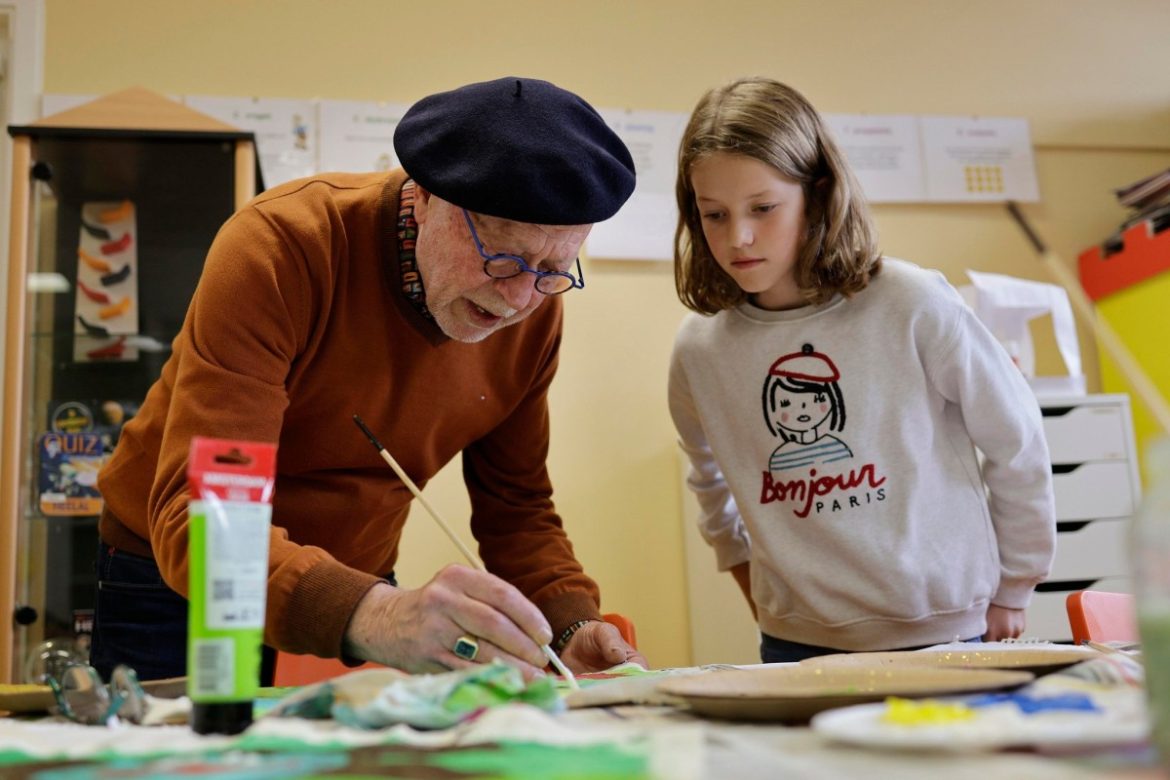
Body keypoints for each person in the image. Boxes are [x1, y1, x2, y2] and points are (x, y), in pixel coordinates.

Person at [91, 76, 647, 682]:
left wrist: (568, 623)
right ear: (428, 198)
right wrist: (381, 614)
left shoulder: (533, 308)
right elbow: (209, 511)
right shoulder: (282, 249)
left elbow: (516, 506)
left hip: (354, 585)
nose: (517, 298)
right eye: (500, 256)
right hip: (182, 577)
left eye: (552, 269)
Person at [667, 77, 1057, 663]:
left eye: (763, 208)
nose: (738, 237)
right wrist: (760, 592)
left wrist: (1017, 582)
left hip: (946, 632)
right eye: (713, 215)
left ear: (817, 194)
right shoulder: (700, 349)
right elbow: (708, 482)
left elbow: (1016, 439)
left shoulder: (915, 302)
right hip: (795, 644)